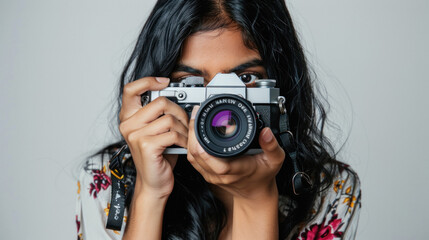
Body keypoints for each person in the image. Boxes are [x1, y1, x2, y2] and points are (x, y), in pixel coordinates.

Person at [75, 0, 361, 239]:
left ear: (280, 88)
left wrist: (256, 198)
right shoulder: (105, 180)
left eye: (247, 79)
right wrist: (150, 193)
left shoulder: (328, 191)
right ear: (156, 92)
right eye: (191, 83)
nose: (221, 112)